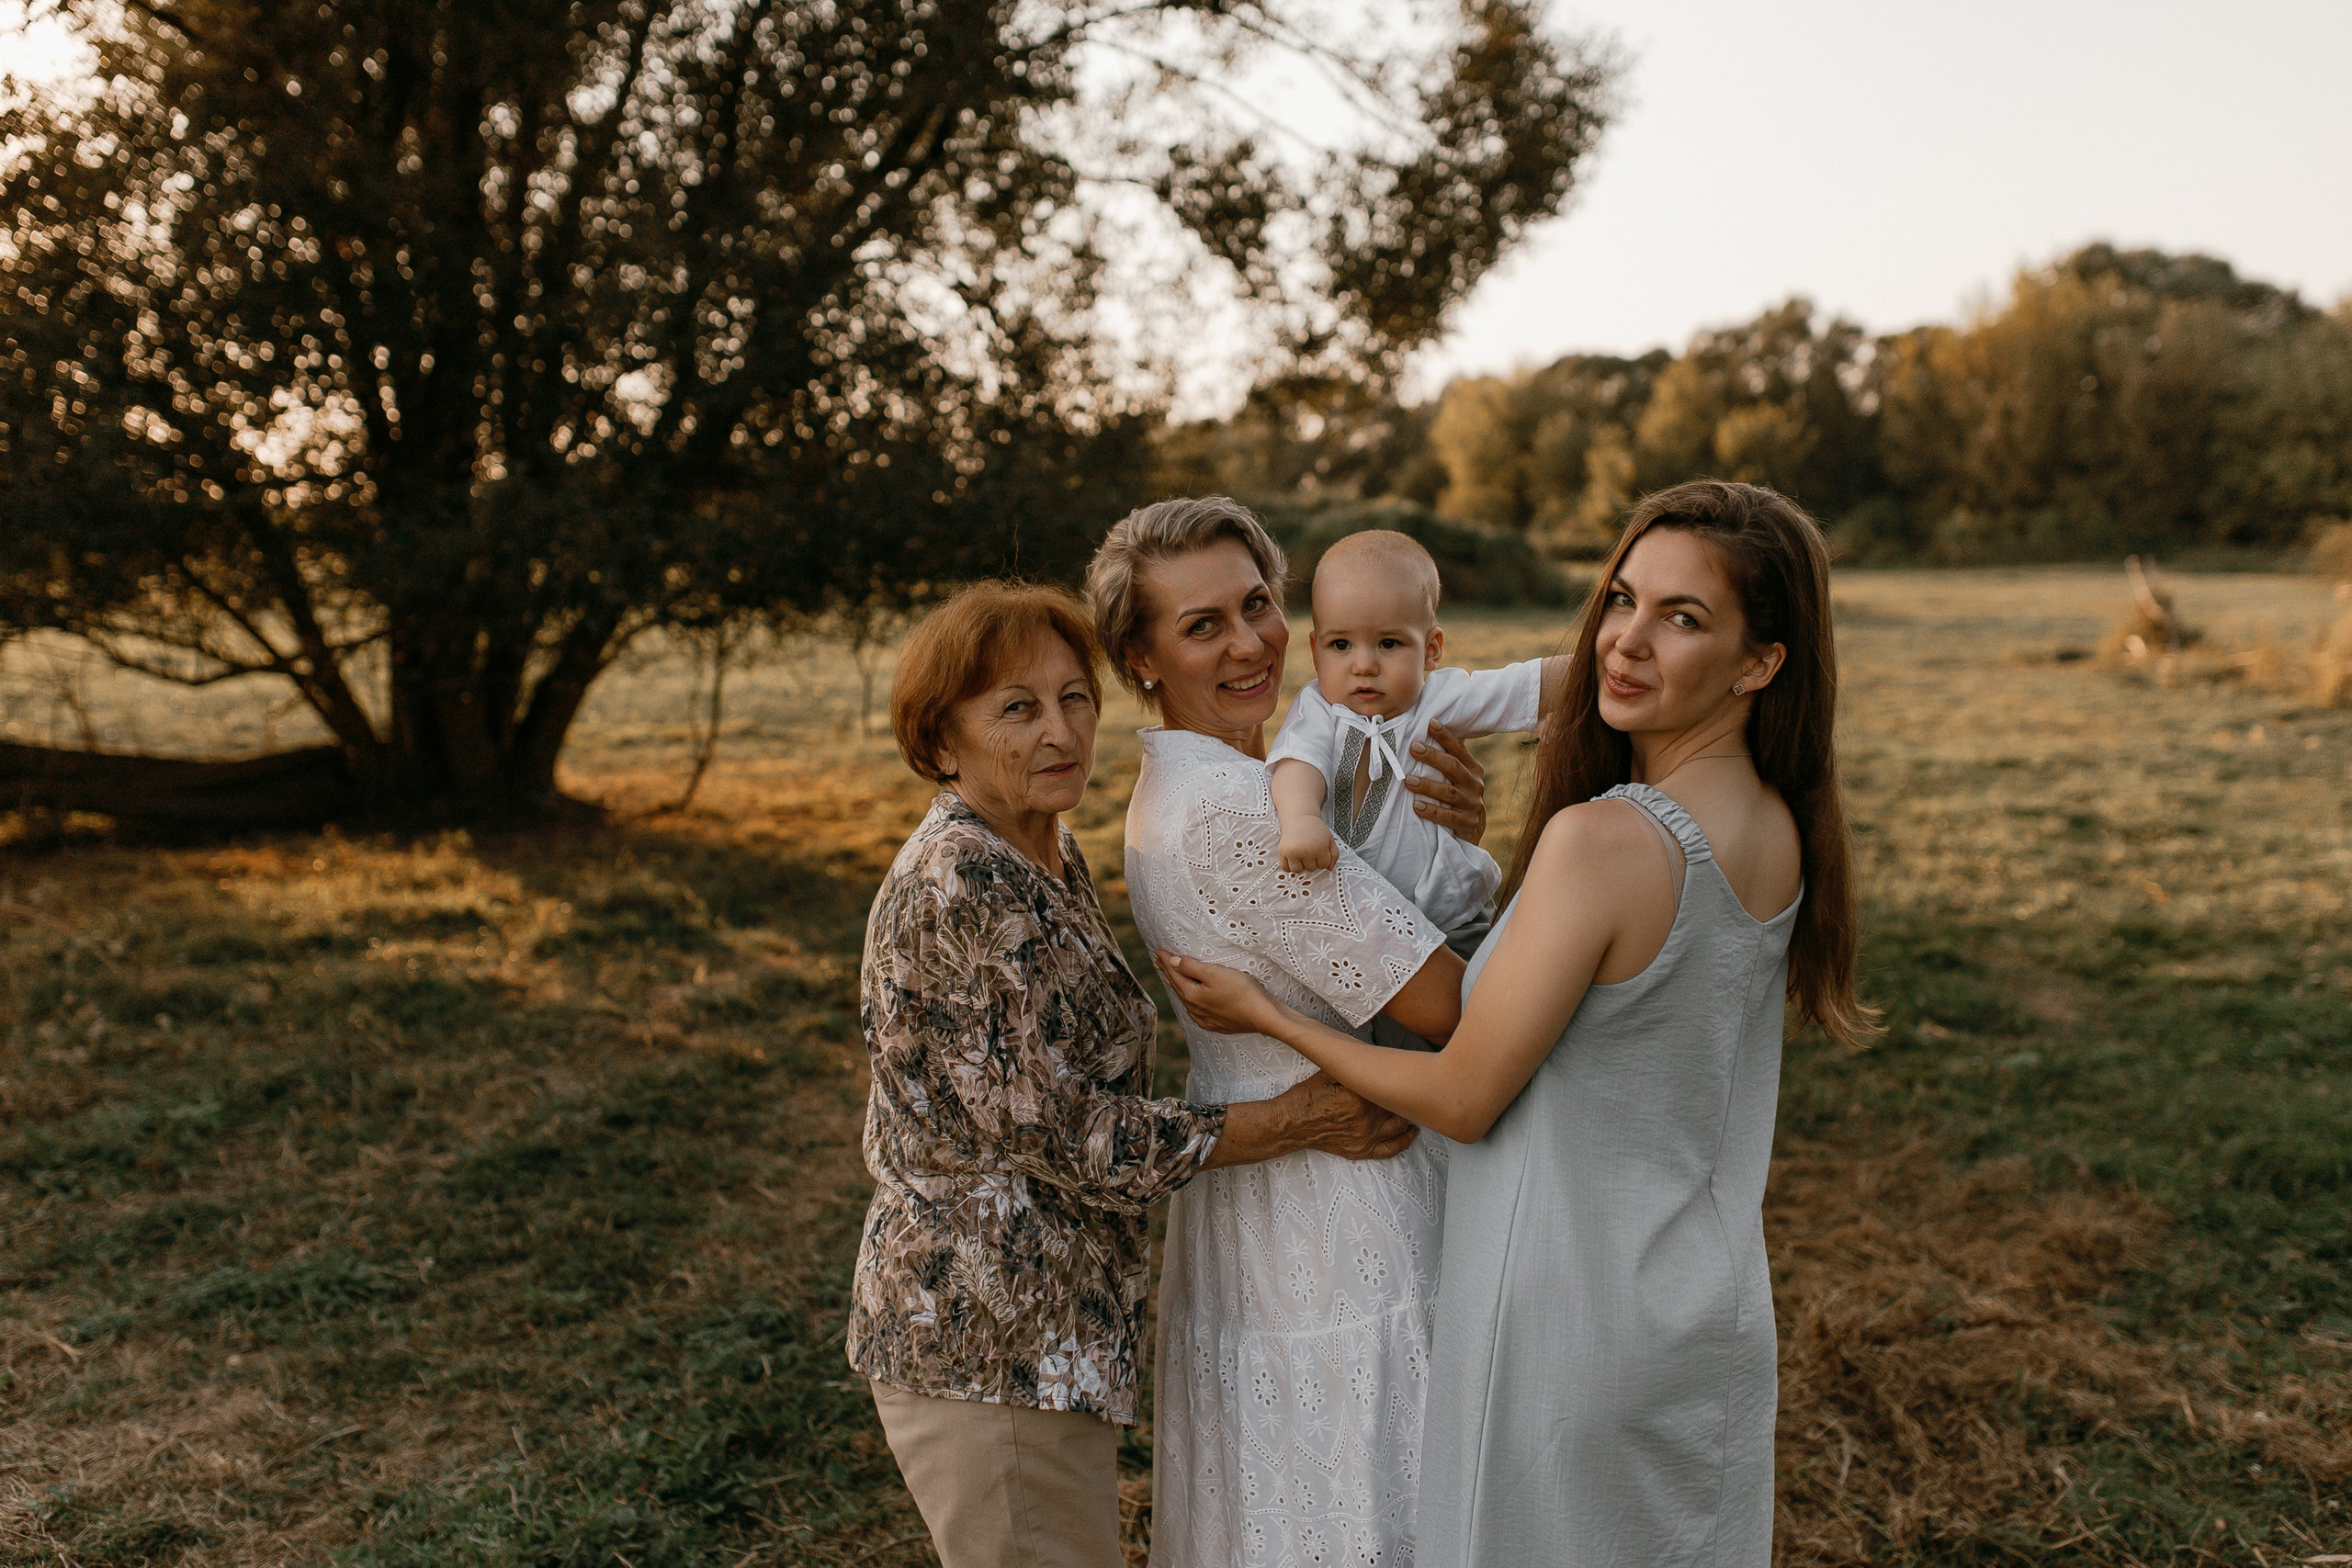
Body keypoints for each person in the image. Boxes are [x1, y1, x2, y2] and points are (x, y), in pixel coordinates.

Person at [1156, 480, 1880, 1567]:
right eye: (1622, 600)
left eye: (1683, 619)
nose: (1625, 644)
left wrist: (1270, 1017)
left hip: (1564, 1309)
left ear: (1760, 660)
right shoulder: (1776, 823)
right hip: (1700, 1297)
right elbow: (1600, 998)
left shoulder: (1603, 842)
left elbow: (1463, 1092)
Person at [848, 581, 1430, 1568]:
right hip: (983, 1344)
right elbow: (1075, 1135)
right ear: (940, 739)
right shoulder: (960, 883)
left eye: (1073, 696)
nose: (1060, 730)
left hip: (1047, 1333)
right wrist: (1295, 1118)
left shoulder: (1042, 846)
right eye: (1016, 708)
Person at [1085, 498, 1495, 1568]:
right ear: (1141, 656)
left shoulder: (1194, 782)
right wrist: (1561, 868)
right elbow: (1450, 1007)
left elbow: (1370, 934)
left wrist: (1454, 848)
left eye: (1258, 605)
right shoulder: (1231, 808)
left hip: (1265, 1192)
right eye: (1201, 626)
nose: (1250, 643)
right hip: (1340, 1203)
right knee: (1359, 1492)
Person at [1267, 528, 1566, 957]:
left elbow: (1527, 684)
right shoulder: (1317, 709)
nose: (1364, 665)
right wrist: (1300, 820)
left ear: (1431, 649)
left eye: (1389, 643)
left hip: (1449, 919)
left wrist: (1608, 662)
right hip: (1360, 924)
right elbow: (1299, 764)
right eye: (1341, 645)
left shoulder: (1438, 701)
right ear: (1315, 651)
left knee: (1476, 1010)